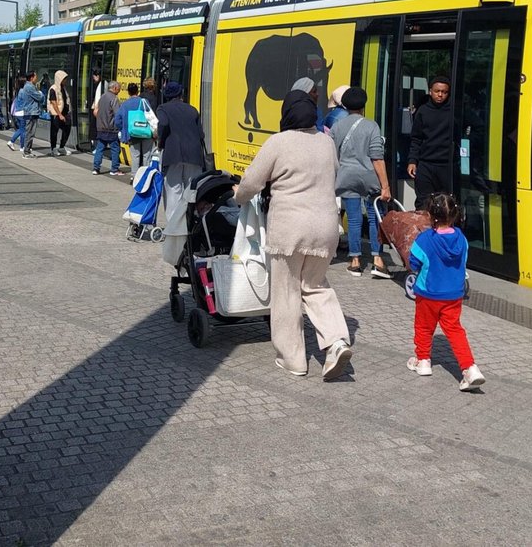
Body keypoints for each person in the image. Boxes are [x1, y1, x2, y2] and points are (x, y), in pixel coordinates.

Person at [234, 89, 353, 381]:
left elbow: (252, 181)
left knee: (287, 292)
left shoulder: (279, 142)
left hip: (289, 228)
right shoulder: (326, 142)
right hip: (325, 229)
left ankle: (294, 359)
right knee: (315, 286)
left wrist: (239, 195)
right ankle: (336, 341)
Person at [407, 192, 485, 391]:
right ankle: (469, 368)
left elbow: (414, 262)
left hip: (428, 293)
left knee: (424, 327)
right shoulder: (462, 239)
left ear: (431, 216)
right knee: (455, 330)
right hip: (454, 294)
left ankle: (423, 361)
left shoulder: (425, 239)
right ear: (455, 215)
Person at [331, 87, 392, 278]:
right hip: (369, 177)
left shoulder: (337, 127)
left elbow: (331, 155)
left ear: (345, 106)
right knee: (375, 217)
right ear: (363, 106)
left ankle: (355, 261)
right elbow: (377, 157)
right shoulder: (371, 126)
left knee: (354, 219)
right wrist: (385, 186)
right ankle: (377, 260)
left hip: (346, 176)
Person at [155, 81, 205, 208]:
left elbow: (164, 124)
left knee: (173, 190)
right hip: (194, 155)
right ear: (181, 94)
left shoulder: (163, 108)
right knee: (192, 190)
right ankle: (190, 220)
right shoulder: (192, 109)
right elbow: (201, 134)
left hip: (173, 154)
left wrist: (160, 143)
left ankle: (174, 225)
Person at [407, 75, 454, 210]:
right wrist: (412, 161)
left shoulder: (454, 111)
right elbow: (416, 138)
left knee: (447, 203)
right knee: (424, 202)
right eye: (437, 91)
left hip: (447, 165)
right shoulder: (423, 111)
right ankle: (426, 230)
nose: (440, 95)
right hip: (425, 164)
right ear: (430, 91)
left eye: (444, 92)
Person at [116, 83, 155, 176]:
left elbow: (117, 120)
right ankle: (146, 176)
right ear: (138, 91)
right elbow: (150, 116)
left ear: (128, 92)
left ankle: (134, 176)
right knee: (147, 155)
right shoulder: (144, 101)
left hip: (132, 133)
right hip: (146, 133)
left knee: (135, 156)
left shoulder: (125, 104)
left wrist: (122, 129)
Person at [92, 81, 123, 175]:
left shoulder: (103, 97)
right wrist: (120, 126)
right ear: (114, 88)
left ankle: (96, 168)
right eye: (119, 89)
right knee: (115, 148)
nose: (119, 91)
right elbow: (117, 114)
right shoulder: (114, 99)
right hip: (111, 128)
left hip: (101, 127)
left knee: (100, 148)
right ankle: (114, 169)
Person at [18, 71, 45, 158]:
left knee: (30, 132)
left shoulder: (29, 86)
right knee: (30, 132)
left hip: (31, 111)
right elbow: (40, 97)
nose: (36, 78)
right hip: (31, 112)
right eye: (35, 76)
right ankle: (26, 151)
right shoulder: (29, 87)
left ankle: (28, 150)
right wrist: (40, 93)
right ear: (31, 77)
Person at [47, 70, 73, 156]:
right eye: (64, 79)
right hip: (56, 114)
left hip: (65, 112)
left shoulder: (63, 88)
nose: (65, 81)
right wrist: (59, 114)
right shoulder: (53, 89)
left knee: (67, 128)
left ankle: (62, 147)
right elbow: (53, 102)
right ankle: (53, 148)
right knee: (54, 131)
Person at [7, 75, 27, 151]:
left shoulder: (18, 91)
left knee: (20, 129)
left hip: (17, 112)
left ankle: (12, 142)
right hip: (22, 113)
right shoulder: (23, 91)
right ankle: (21, 146)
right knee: (23, 130)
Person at [87, 68, 105, 142]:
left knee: (94, 126)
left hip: (96, 108)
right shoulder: (102, 83)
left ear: (97, 76)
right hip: (96, 107)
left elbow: (98, 98)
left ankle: (94, 143)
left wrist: (96, 108)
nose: (93, 79)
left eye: (94, 77)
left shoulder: (100, 85)